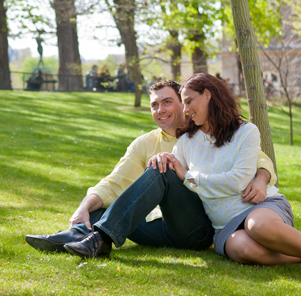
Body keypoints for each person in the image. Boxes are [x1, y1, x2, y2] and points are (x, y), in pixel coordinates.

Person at [138, 73, 301, 277]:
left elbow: (237, 181)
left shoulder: (246, 132)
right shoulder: (186, 142)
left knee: (257, 225)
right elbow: (177, 181)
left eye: (188, 101)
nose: (185, 110)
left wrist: (189, 177)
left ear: (208, 95)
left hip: (260, 207)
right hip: (224, 224)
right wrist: (164, 159)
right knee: (242, 249)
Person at [25, 80, 277, 254]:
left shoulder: (207, 131)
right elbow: (115, 181)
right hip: (160, 228)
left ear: (184, 103)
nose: (160, 110)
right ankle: (78, 234)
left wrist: (261, 179)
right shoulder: (145, 142)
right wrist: (83, 207)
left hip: (198, 227)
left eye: (167, 102)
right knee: (100, 209)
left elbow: (259, 159)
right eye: (154, 105)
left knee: (163, 168)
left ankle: (98, 240)